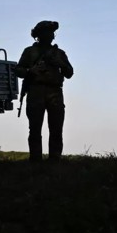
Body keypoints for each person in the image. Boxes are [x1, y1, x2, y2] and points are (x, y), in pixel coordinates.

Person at [15, 20, 74, 162]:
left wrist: (59, 63)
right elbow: (18, 70)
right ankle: (35, 160)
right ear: (39, 34)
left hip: (55, 92)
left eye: (51, 32)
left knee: (56, 128)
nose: (51, 35)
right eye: (47, 32)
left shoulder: (59, 53)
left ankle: (54, 159)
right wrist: (31, 71)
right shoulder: (29, 52)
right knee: (34, 129)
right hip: (35, 91)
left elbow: (70, 72)